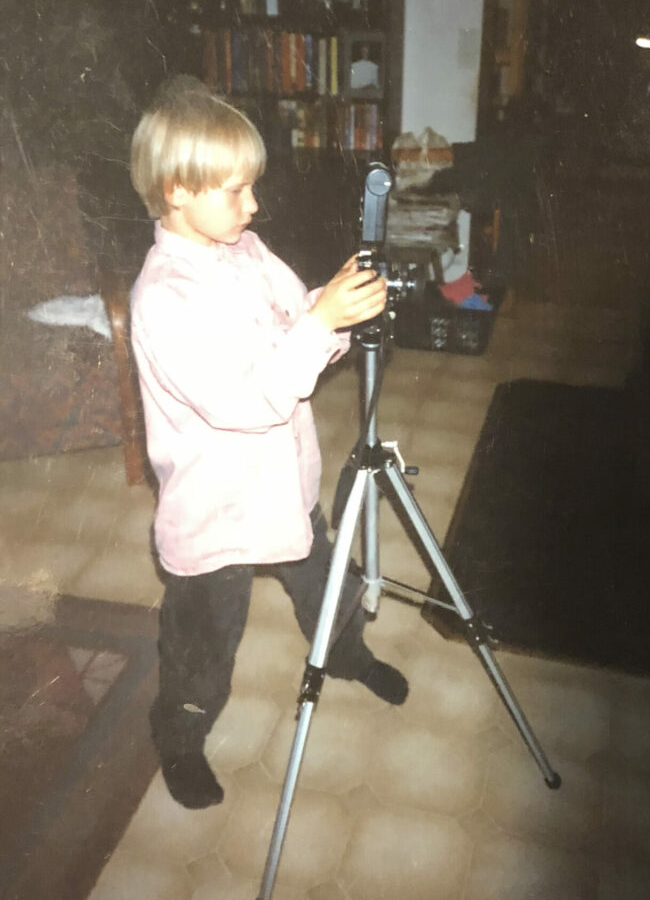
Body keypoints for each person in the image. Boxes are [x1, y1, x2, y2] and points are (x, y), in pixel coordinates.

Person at [129, 75, 408, 810]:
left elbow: (295, 321)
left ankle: (342, 653)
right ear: (175, 192)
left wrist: (331, 303)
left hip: (283, 488)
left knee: (330, 585)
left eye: (252, 187)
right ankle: (179, 740)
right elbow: (242, 401)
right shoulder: (164, 297)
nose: (252, 205)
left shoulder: (246, 249)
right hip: (214, 512)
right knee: (201, 650)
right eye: (234, 190)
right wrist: (318, 329)